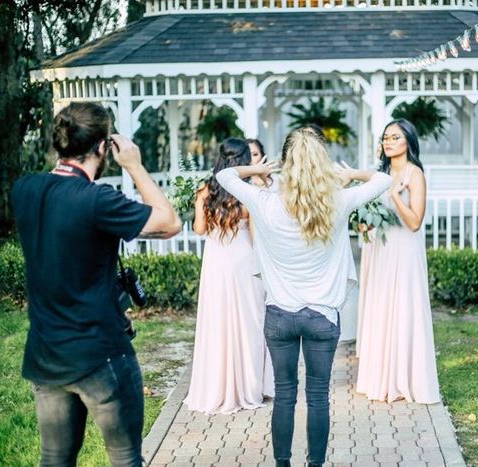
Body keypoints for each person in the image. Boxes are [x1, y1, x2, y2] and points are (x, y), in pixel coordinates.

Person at [12, 102, 181, 466]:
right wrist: (134, 165)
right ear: (104, 147)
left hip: (46, 354)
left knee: (54, 459)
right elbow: (169, 223)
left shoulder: (24, 190)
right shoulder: (97, 201)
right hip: (100, 354)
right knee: (124, 458)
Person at [216, 128, 391, 467]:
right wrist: (351, 174)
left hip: (279, 315)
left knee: (284, 395)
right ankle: (315, 464)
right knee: (318, 397)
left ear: (285, 162)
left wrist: (259, 170)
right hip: (322, 316)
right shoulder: (338, 201)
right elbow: (383, 179)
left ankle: (282, 463)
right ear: (321, 163)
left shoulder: (263, 201)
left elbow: (224, 174)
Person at [183, 138, 274, 414]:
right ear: (245, 160)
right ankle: (249, 387)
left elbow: (199, 229)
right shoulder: (248, 193)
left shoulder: (204, 191)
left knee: (217, 322)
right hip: (244, 260)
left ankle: (218, 387)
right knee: (250, 322)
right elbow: (257, 237)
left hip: (216, 263)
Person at [355, 118, 441, 404]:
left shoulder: (415, 174)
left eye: (394, 137)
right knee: (382, 307)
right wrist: (364, 223)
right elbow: (367, 214)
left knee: (403, 307)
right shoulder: (381, 173)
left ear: (408, 141)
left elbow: (415, 222)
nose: (388, 142)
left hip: (404, 250)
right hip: (381, 250)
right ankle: (380, 377)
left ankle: (405, 378)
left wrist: (394, 194)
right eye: (385, 138)